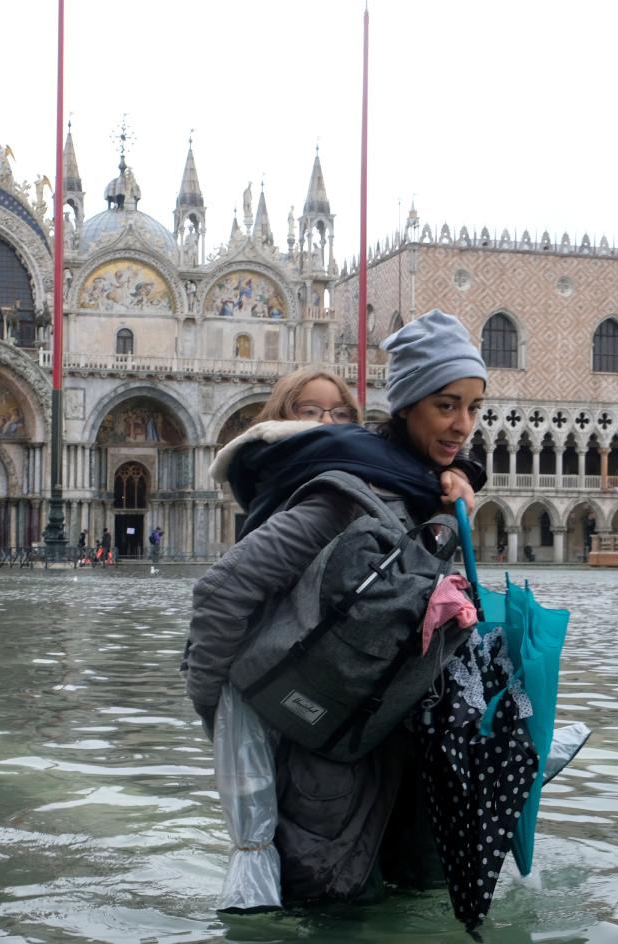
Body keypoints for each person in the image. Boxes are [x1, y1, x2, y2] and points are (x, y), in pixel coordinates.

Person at [185, 313, 489, 905]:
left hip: (397, 755)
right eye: (447, 405)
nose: (463, 425)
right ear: (406, 406)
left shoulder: (425, 489)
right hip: (325, 770)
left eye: (474, 408)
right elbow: (222, 593)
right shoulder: (344, 495)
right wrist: (218, 711)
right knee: (329, 910)